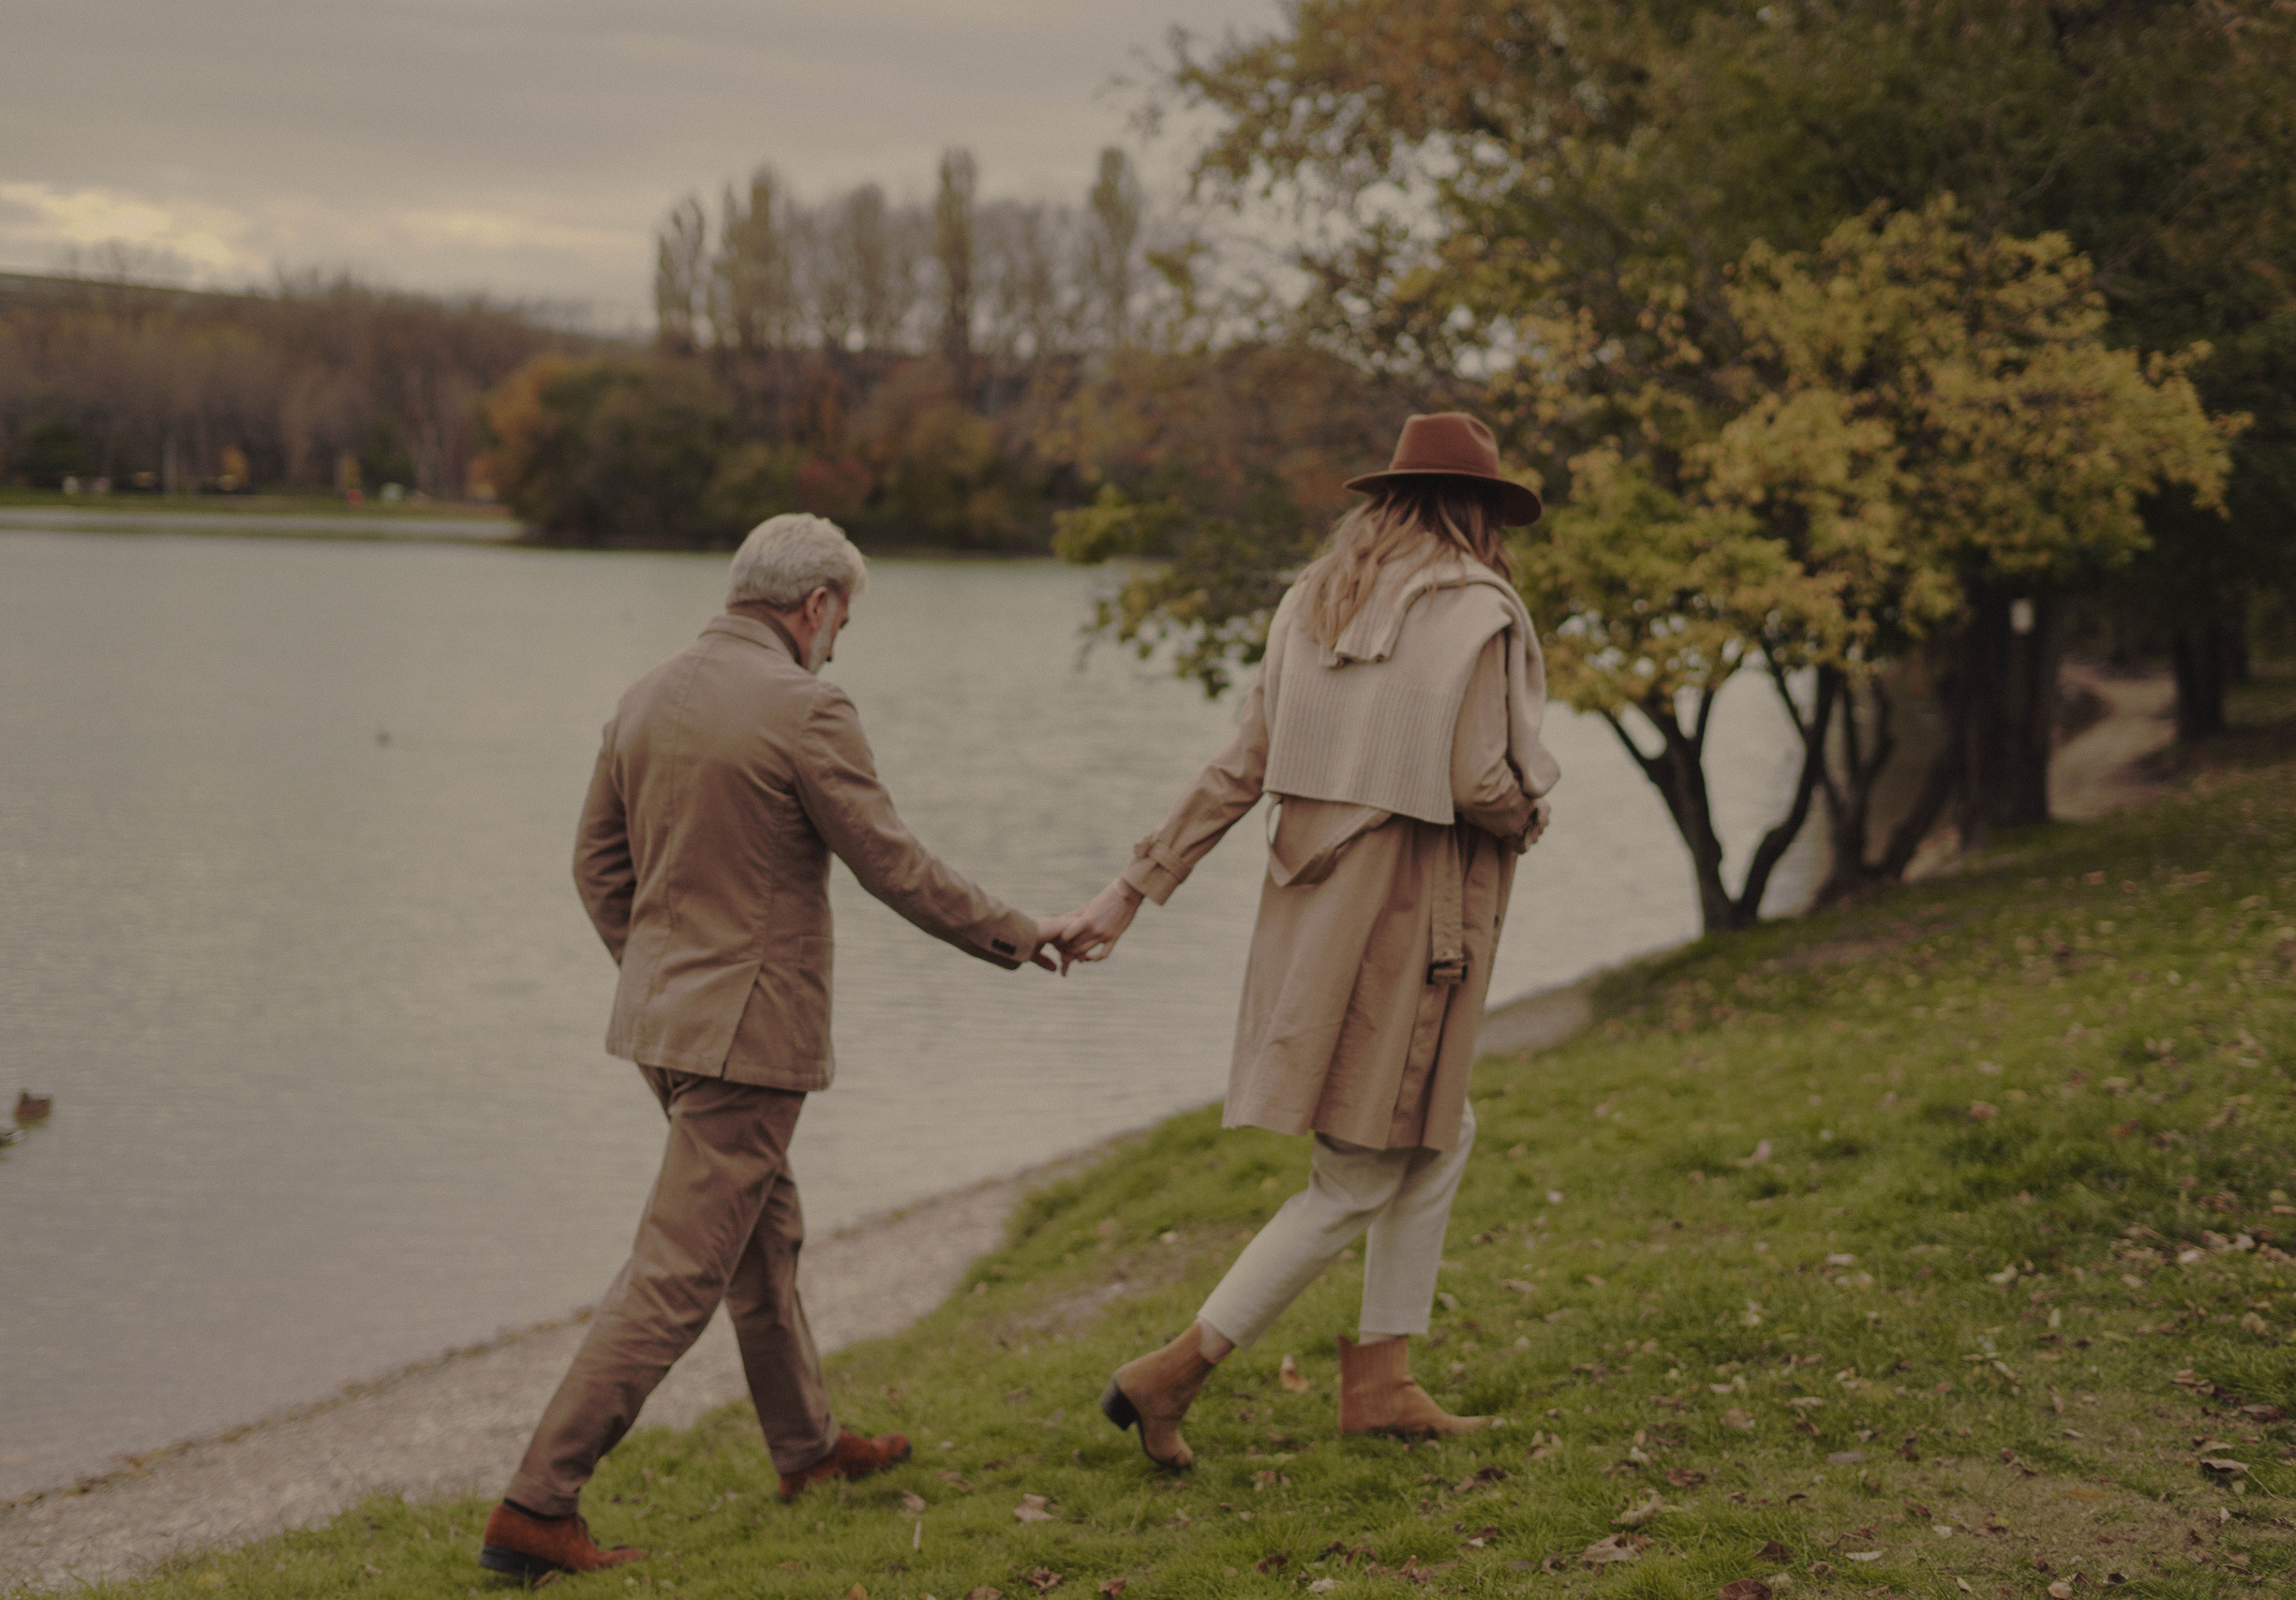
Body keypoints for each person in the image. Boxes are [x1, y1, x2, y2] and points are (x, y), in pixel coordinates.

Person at [479, 515, 1072, 1583]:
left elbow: (595, 869)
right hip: (748, 1038)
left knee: (766, 1238)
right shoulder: (806, 706)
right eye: (842, 618)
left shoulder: (646, 694)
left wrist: (659, 973)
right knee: (676, 1275)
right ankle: (538, 1502)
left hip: (666, 1027)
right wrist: (1017, 932)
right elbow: (892, 861)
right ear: (813, 607)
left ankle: (805, 1452)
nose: (840, 640)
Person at [1061, 412, 1560, 1469]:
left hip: (1310, 906)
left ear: (1385, 500)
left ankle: (1383, 1378)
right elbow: (1478, 780)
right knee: (1358, 1173)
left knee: (1438, 1127)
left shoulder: (1312, 602)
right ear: (1475, 509)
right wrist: (1524, 814)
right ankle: (1173, 1372)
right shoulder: (1477, 612)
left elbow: (1241, 766)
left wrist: (1130, 890)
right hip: (1408, 913)